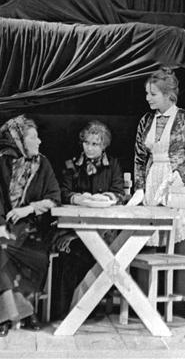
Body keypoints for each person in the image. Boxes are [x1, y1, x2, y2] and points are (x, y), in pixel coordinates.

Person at [0, 116, 60, 336]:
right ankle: (11, 314)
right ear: (18, 140)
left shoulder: (43, 164)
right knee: (0, 247)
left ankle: (19, 311)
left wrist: (28, 209)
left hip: (31, 228)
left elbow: (54, 198)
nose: (39, 142)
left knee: (27, 250)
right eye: (33, 137)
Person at [52, 120, 124, 319]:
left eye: (95, 144)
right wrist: (78, 198)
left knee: (101, 253)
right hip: (75, 229)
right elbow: (63, 192)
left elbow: (119, 192)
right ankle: (64, 313)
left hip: (104, 230)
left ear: (104, 146)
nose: (90, 148)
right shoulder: (72, 164)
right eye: (87, 143)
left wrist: (106, 198)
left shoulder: (113, 165)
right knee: (70, 255)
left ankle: (86, 309)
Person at [134, 66, 185, 246]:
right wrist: (140, 188)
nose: (147, 98)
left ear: (168, 95)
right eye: (147, 93)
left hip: (177, 181)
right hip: (152, 179)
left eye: (153, 94)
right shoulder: (146, 120)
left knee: (176, 233)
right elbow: (140, 158)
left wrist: (179, 172)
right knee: (150, 233)